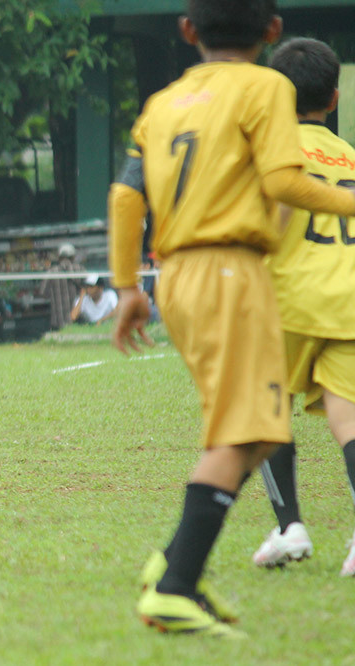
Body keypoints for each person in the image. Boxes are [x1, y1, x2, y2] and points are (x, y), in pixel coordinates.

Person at [109, 0, 355, 637]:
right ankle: (174, 585)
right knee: (249, 432)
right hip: (231, 270)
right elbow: (282, 182)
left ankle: (174, 565)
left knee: (256, 428)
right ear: (272, 32)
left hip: (179, 275)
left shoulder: (164, 101)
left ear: (188, 31)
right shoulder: (267, 86)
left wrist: (127, 286)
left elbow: (126, 195)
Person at [249, 38, 355, 577]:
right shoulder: (351, 158)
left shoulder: (271, 149)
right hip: (349, 299)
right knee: (349, 416)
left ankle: (289, 525)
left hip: (286, 297)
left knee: (266, 407)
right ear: (333, 98)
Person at [39, 243, 83, 330]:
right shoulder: (81, 270)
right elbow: (89, 291)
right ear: (73, 257)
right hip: (77, 318)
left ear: (59, 257)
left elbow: (43, 293)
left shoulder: (51, 272)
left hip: (58, 320)